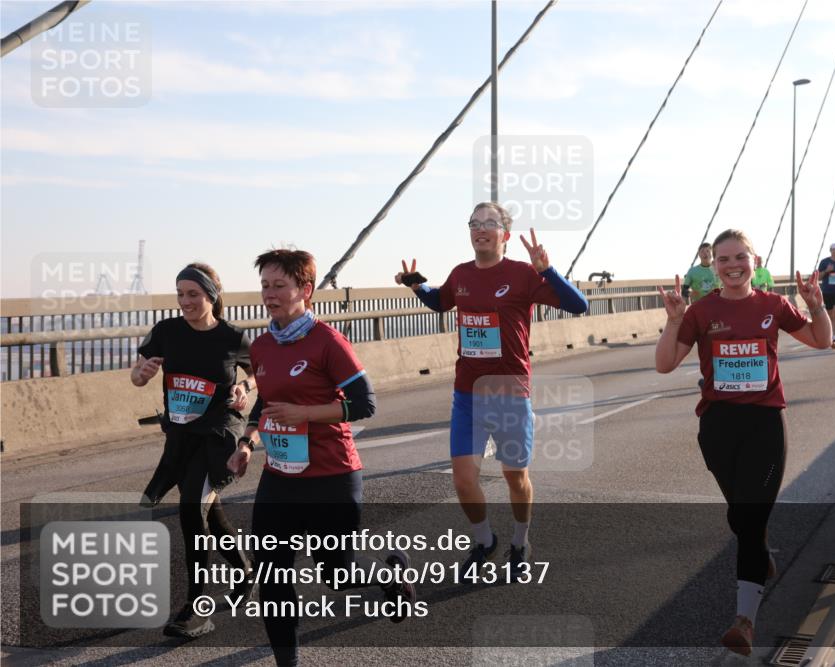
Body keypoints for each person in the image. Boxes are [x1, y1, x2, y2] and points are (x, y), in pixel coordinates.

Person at [227, 249, 416, 667]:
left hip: (331, 474)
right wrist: (246, 443)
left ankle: (389, 576)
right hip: (279, 478)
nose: (269, 294)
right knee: (273, 578)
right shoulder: (261, 347)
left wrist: (307, 414)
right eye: (265, 286)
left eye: (280, 286)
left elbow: (365, 404)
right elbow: (267, 404)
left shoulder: (328, 342)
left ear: (305, 290)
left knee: (337, 574)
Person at [653, 229, 831, 657]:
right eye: (723, 259)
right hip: (718, 427)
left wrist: (818, 307)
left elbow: (820, 340)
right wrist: (675, 318)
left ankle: (745, 620)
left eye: (740, 257)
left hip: (765, 424)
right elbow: (664, 365)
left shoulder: (774, 305)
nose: (732, 265)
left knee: (749, 518)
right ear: (713, 265)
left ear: (755, 260)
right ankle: (761, 548)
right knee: (741, 514)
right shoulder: (702, 311)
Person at [398, 203, 588, 576]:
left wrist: (547, 270)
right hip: (467, 394)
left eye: (490, 223)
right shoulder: (461, 273)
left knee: (515, 476)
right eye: (474, 223)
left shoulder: (521, 274)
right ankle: (484, 540)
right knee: (463, 480)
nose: (480, 229)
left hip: (510, 393)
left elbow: (577, 305)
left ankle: (520, 539)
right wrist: (418, 286)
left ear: (504, 233)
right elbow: (441, 301)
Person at [132, 263, 255, 638]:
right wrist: (144, 374)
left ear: (212, 297)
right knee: (208, 513)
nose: (185, 301)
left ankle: (195, 609)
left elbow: (256, 375)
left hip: (219, 434)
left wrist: (244, 387)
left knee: (190, 510)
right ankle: (246, 570)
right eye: (180, 294)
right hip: (182, 436)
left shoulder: (232, 337)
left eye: (193, 294)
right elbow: (137, 376)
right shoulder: (167, 332)